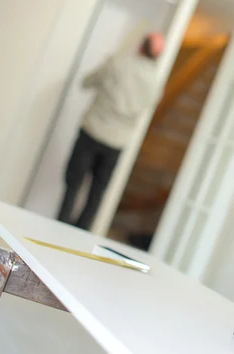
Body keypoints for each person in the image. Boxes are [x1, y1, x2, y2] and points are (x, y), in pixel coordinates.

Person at [57, 32, 165, 230]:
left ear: (141, 47)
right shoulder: (156, 82)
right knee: (97, 193)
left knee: (73, 183)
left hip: (93, 131)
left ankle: (58, 227)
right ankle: (78, 236)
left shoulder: (118, 63)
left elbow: (87, 82)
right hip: (117, 143)